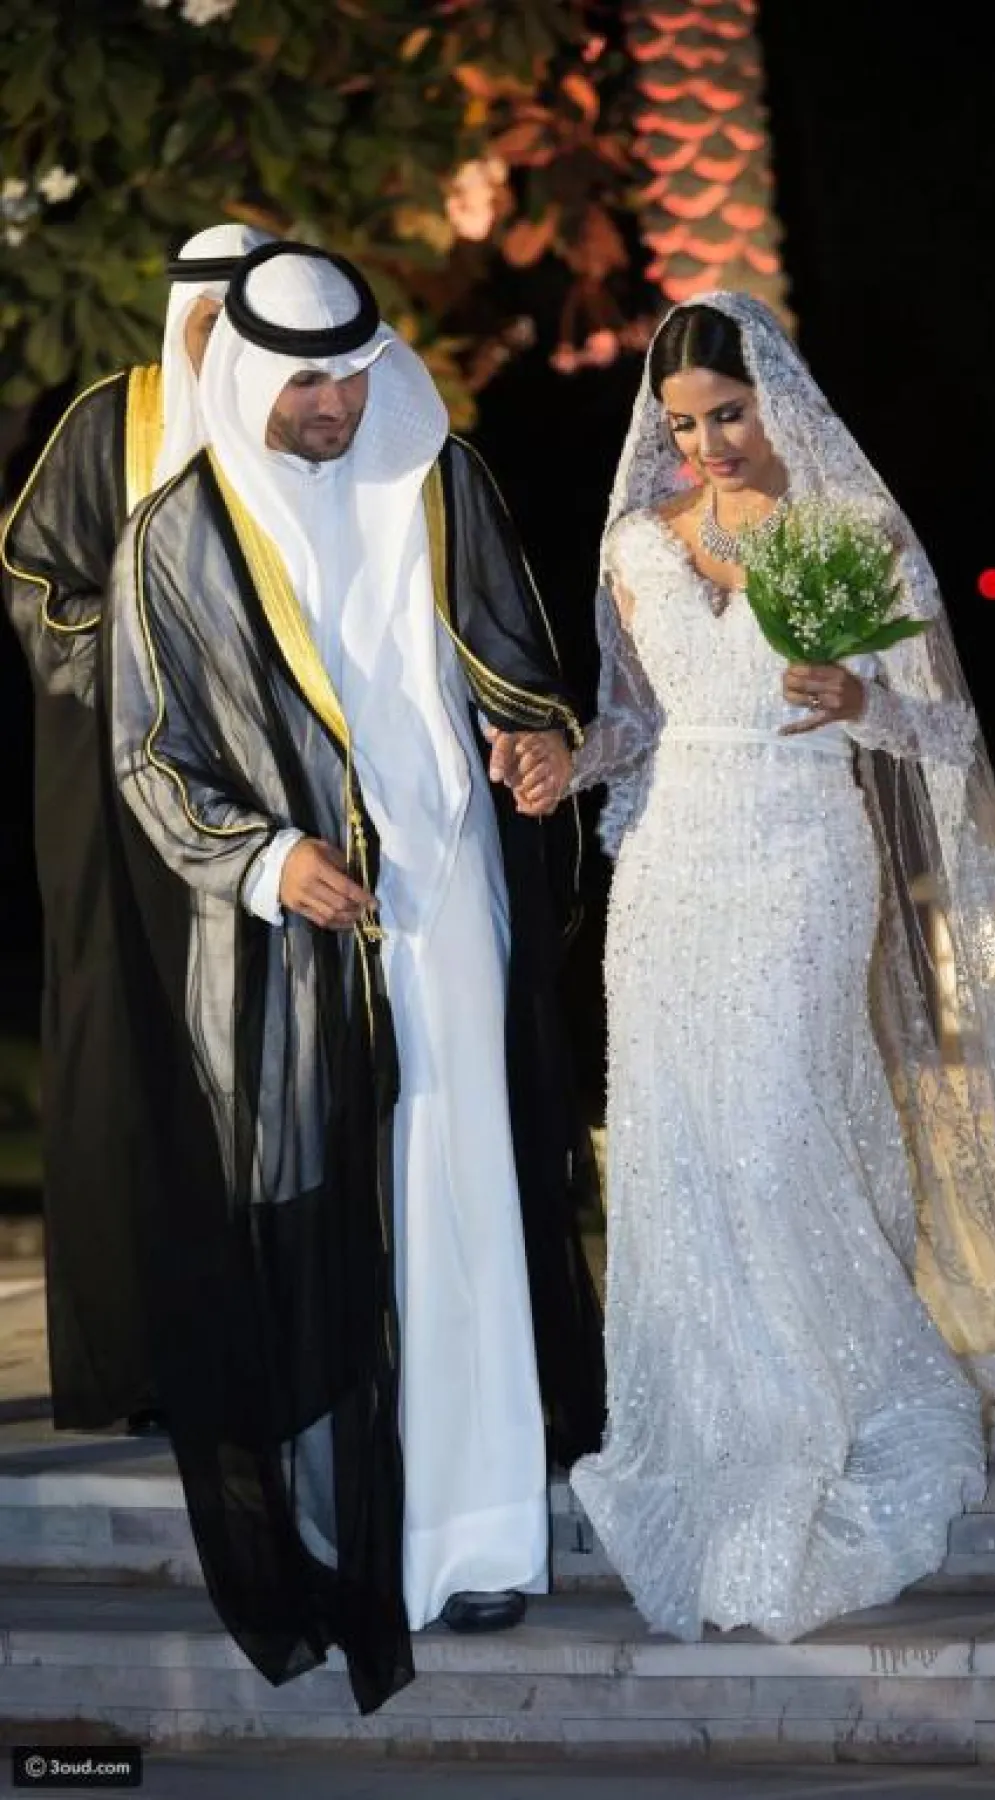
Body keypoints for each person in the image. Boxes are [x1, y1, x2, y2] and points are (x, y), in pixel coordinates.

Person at [501, 292, 995, 1645]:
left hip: (802, 859)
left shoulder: (847, 535)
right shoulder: (639, 544)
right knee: (680, 1144)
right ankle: (716, 1404)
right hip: (671, 875)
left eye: (729, 415)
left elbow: (944, 736)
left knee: (776, 1133)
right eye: (683, 425)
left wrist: (862, 700)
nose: (708, 445)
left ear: (776, 400)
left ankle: (833, 1391)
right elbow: (637, 724)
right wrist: (563, 762)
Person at [106, 241, 604, 1713]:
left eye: (352, 379)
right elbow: (148, 751)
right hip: (300, 942)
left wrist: (539, 743)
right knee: (333, 1226)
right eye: (306, 386)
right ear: (249, 376)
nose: (334, 409)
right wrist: (266, 860)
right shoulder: (177, 533)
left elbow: (513, 662)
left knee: (468, 1214)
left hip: (450, 909)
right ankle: (349, 1542)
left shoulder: (439, 482)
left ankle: (484, 1538)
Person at [0, 222, 271, 1432]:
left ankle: (277, 1342)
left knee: (264, 1062)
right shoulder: (114, 419)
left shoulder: (304, 430)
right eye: (212, 320)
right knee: (131, 1049)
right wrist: (148, 645)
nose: (229, 343)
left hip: (270, 809)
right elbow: (34, 575)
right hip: (120, 800)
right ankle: (139, 1360)